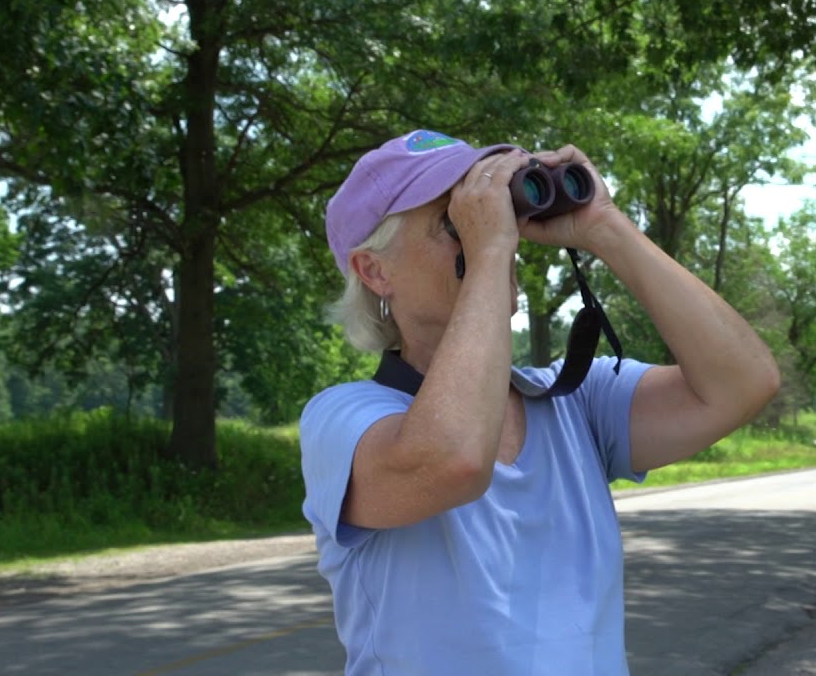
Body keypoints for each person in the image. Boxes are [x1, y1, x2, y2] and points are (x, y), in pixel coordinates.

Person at [299, 128, 780, 675]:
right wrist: (488, 252)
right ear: (375, 270)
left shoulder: (578, 401)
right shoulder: (344, 419)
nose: (495, 231)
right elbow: (453, 459)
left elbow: (744, 383)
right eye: (456, 220)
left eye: (494, 211)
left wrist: (604, 226)